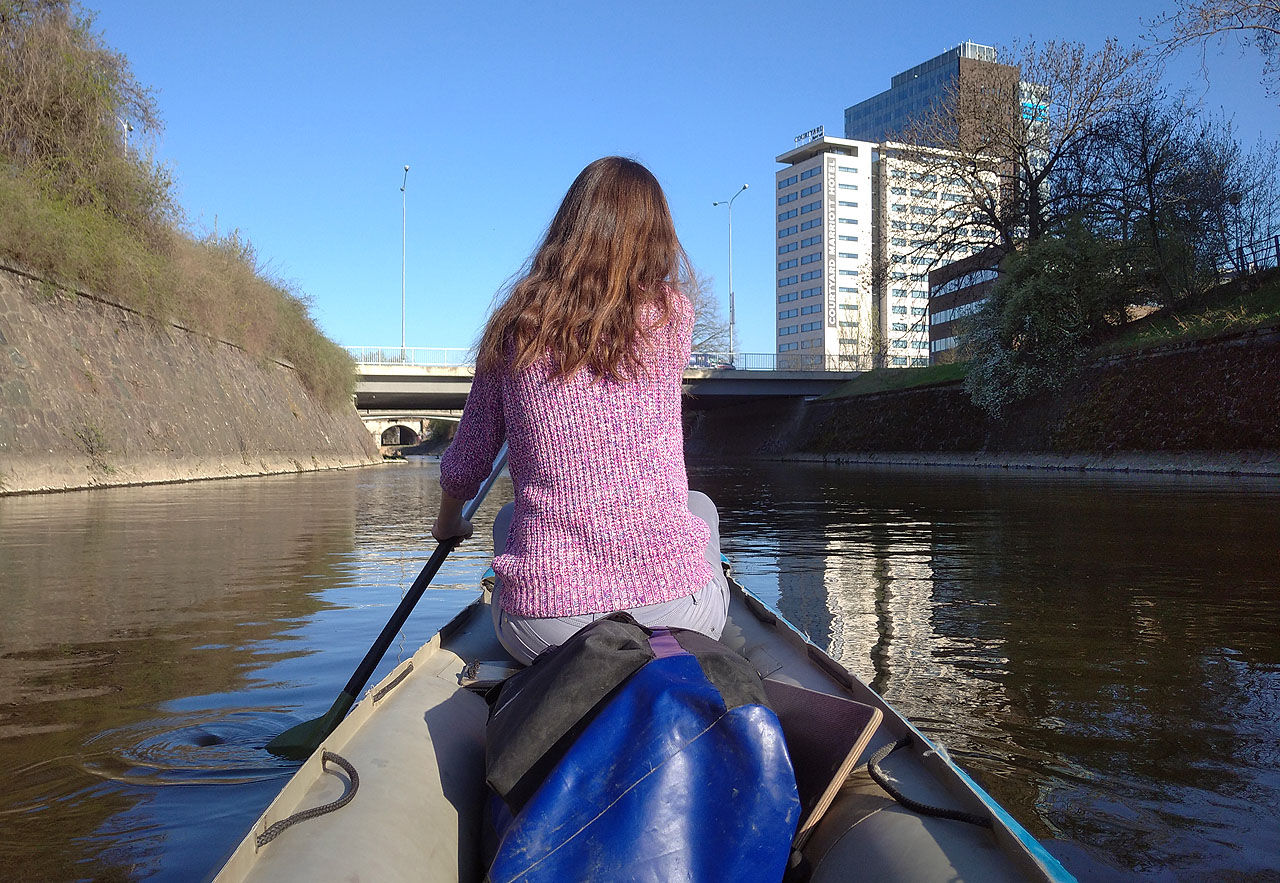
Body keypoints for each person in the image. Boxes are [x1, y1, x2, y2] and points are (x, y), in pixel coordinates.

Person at [432, 156, 729, 666]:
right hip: (678, 617)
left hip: (550, 630)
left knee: (508, 518)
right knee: (699, 507)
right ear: (657, 237)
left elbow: (469, 458)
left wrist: (448, 523)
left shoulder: (516, 328)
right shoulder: (672, 314)